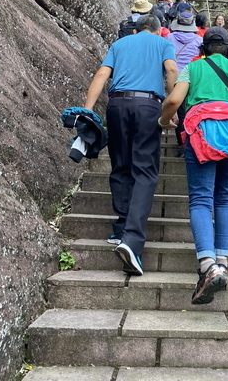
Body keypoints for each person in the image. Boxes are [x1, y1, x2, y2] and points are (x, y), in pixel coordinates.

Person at [159, 27, 228, 304]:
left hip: (201, 134)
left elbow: (173, 99)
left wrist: (164, 121)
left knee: (200, 199)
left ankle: (208, 265)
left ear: (203, 47)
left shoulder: (193, 69)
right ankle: (222, 261)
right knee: (225, 198)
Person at [84, 15, 178, 275]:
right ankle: (132, 241)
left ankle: (121, 228)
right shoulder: (162, 44)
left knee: (120, 165)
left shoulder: (120, 44)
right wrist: (173, 104)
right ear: (159, 31)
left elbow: (102, 74)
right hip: (148, 105)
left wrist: (88, 111)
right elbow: (171, 70)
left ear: (136, 30)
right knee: (145, 171)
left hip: (117, 105)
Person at [168, 3, 203, 156]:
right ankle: (195, 142)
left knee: (180, 112)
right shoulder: (198, 40)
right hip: (193, 78)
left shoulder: (169, 37)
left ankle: (182, 144)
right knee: (194, 110)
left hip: (175, 78)